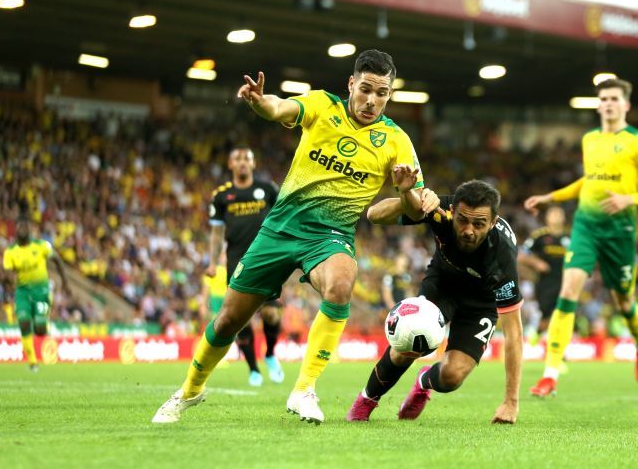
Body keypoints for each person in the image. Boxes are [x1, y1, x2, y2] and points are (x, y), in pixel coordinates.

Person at [153, 49, 432, 425]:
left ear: (389, 95)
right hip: (280, 228)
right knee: (227, 322)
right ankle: (188, 390)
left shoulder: (397, 142)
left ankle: (304, 389)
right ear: (351, 84)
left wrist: (404, 191)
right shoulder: (321, 105)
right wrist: (258, 103)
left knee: (341, 283)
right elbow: (279, 108)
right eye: (365, 89)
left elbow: (415, 211)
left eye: (381, 93)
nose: (372, 100)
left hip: (331, 235)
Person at [524, 78, 638, 397]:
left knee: (624, 301)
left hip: (620, 231)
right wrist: (552, 197)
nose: (608, 103)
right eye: (603, 98)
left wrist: (628, 199)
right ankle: (550, 374)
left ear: (626, 104)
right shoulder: (590, 139)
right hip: (586, 226)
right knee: (568, 290)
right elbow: (588, 182)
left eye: (614, 98)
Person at [347, 180, 524, 424]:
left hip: (481, 303)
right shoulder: (440, 208)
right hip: (442, 284)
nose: (468, 230)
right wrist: (410, 198)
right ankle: (366, 400)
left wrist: (510, 402)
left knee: (452, 376)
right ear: (454, 211)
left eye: (479, 224)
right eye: (462, 220)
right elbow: (374, 215)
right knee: (406, 347)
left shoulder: (502, 257)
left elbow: (514, 333)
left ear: (493, 223)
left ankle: (423, 382)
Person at [206, 147, 284, 387]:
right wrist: (211, 262)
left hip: (266, 258)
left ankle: (270, 353)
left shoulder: (268, 189)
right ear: (230, 164)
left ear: (253, 164)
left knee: (271, 314)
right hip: (235, 262)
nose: (242, 163)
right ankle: (253, 369)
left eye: (246, 159)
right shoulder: (221, 196)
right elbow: (216, 232)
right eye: (237, 159)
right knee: (241, 319)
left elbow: (283, 217)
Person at [2, 217, 69, 371]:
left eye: (25, 226)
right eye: (20, 226)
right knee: (24, 322)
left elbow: (57, 260)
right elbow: (7, 273)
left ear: (30, 231)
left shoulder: (41, 246)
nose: (23, 229)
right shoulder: (10, 252)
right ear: (16, 232)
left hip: (41, 290)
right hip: (23, 292)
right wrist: (9, 279)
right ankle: (32, 362)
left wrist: (65, 282)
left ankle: (44, 323)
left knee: (39, 329)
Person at [518, 206, 569, 336]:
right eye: (553, 213)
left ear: (564, 218)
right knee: (546, 314)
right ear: (547, 218)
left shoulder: (569, 236)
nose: (556, 215)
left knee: (562, 314)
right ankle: (536, 337)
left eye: (559, 213)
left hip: (566, 282)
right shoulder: (539, 236)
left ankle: (556, 346)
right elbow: (522, 254)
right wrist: (536, 263)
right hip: (545, 282)